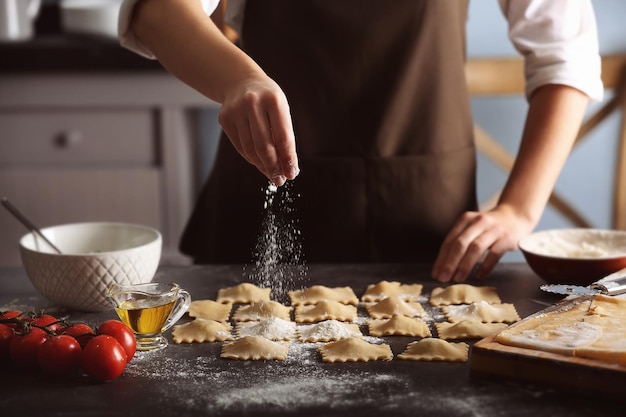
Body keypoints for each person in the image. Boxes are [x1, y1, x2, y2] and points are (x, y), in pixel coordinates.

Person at [118, 0, 603, 282]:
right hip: (259, 212)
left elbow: (566, 54)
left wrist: (519, 207)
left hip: (428, 227)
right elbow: (156, 11)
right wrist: (238, 80)